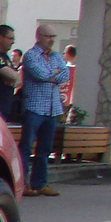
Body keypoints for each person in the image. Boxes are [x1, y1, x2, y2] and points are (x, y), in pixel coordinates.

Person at [18, 23, 70, 197]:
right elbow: (41, 74)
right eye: (49, 36)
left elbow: (65, 74)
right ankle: (23, 184)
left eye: (54, 37)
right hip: (34, 108)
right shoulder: (31, 56)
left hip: (51, 110)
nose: (52, 40)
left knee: (45, 149)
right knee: (26, 147)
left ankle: (40, 183)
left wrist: (53, 74)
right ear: (39, 36)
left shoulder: (55, 56)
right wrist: (54, 73)